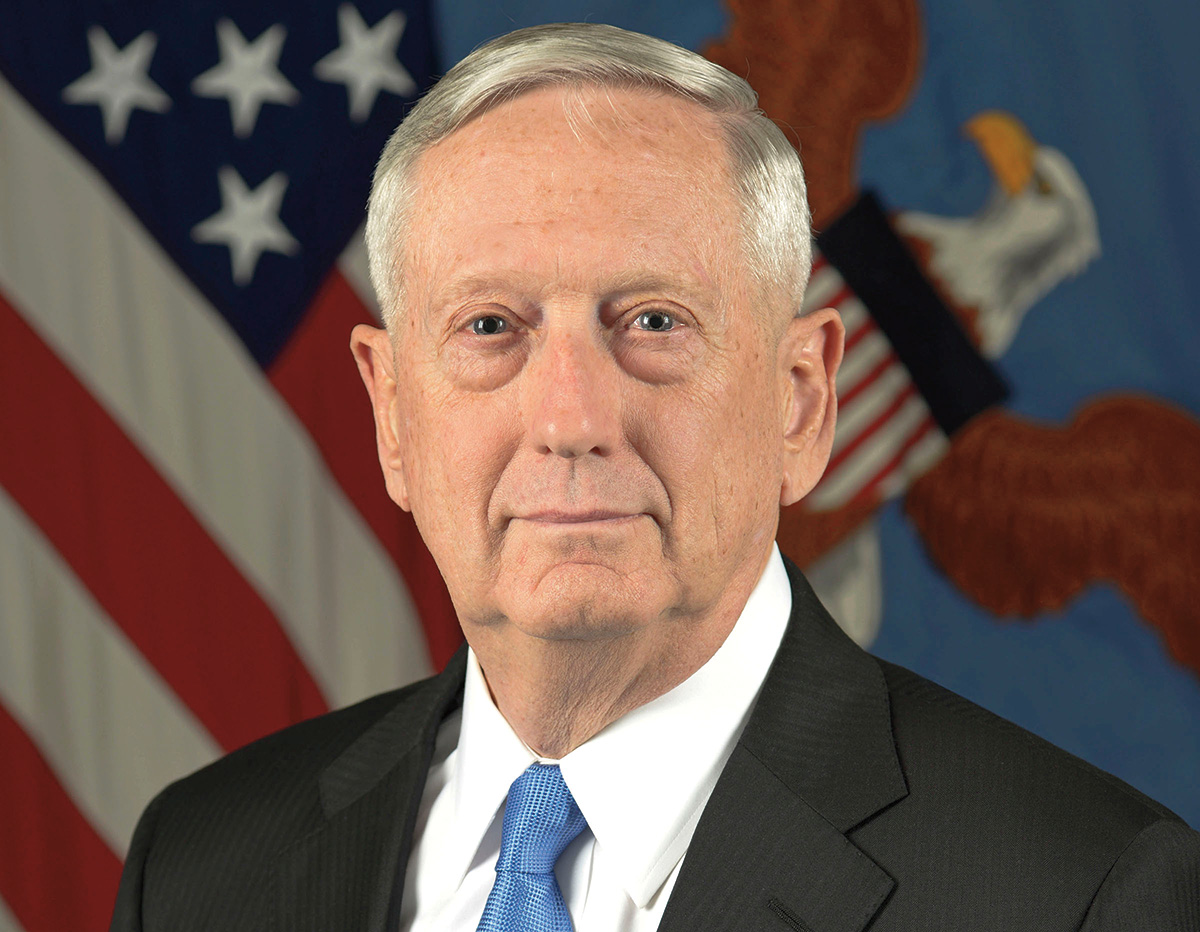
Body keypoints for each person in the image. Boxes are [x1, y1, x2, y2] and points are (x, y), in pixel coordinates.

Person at [110, 22, 1200, 932]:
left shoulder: (1081, 894)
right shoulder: (202, 870)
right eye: (492, 325)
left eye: (653, 322)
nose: (572, 419)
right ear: (393, 413)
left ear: (802, 401)